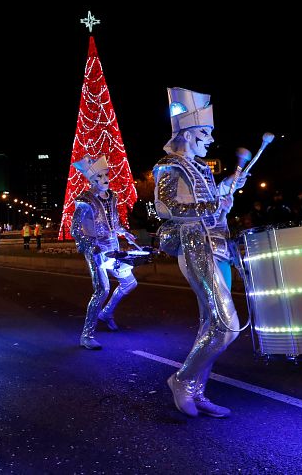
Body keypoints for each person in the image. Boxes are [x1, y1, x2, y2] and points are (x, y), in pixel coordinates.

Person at [153, 87, 246, 418]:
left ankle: (195, 391)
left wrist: (228, 189)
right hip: (195, 246)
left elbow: (211, 207)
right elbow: (165, 206)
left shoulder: (201, 168)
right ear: (188, 133)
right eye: (205, 132)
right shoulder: (168, 165)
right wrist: (213, 203)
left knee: (210, 324)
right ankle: (182, 380)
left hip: (218, 246)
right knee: (228, 326)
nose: (209, 138)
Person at [71, 155, 140, 349]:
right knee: (102, 289)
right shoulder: (84, 201)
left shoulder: (112, 197)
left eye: (106, 175)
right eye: (99, 177)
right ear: (92, 180)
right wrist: (89, 245)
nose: (105, 180)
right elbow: (75, 229)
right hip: (96, 250)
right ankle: (86, 335)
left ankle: (107, 312)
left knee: (130, 282)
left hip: (113, 248)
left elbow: (114, 224)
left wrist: (126, 233)